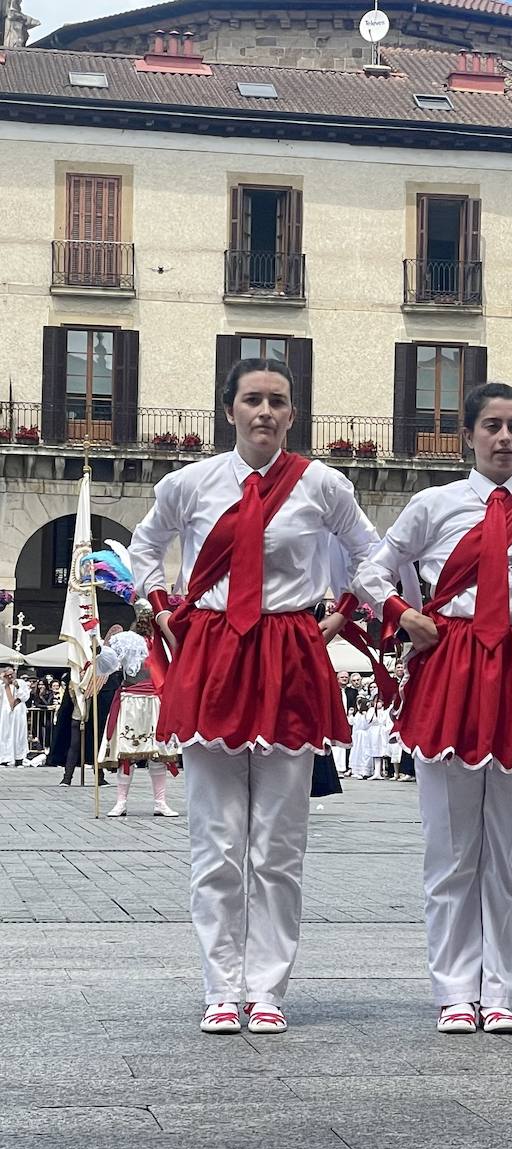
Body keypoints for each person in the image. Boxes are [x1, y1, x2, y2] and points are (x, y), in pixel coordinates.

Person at [130, 356, 381, 1036]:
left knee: (278, 841)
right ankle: (221, 985)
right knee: (214, 838)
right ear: (229, 410)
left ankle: (267, 987)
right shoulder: (190, 483)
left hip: (289, 655)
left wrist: (345, 611)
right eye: (252, 399)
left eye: (277, 400)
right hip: (214, 654)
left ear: (292, 414)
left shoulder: (323, 485)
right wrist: (161, 607)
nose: (264, 411)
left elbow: (371, 551)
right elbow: (142, 545)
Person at [355, 381, 512, 1036]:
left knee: (511, 852)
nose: (505, 437)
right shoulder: (433, 505)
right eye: (492, 425)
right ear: (468, 434)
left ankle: (501, 988)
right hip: (454, 668)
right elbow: (370, 573)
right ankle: (455, 989)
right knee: (452, 847)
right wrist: (405, 615)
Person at [96, 601, 180, 817]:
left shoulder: (166, 643)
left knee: (158, 753)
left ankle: (160, 802)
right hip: (132, 700)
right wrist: (98, 646)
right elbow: (108, 666)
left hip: (156, 701)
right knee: (127, 753)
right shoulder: (127, 641)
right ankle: (120, 802)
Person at [0, 666, 29, 766]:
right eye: (7, 675)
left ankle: (19, 758)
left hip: (18, 712)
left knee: (19, 735)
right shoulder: (2, 685)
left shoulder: (21, 683)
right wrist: (3, 681)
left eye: (11, 674)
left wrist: (17, 687)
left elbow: (26, 697)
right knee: (5, 735)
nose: (10, 677)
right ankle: (4, 758)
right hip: (5, 713)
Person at [348, 698, 375, 779]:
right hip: (357, 736)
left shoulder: (365, 714)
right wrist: (350, 714)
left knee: (364, 752)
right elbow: (351, 722)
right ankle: (356, 770)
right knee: (357, 752)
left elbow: (366, 724)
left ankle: (365, 770)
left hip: (364, 735)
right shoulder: (357, 714)